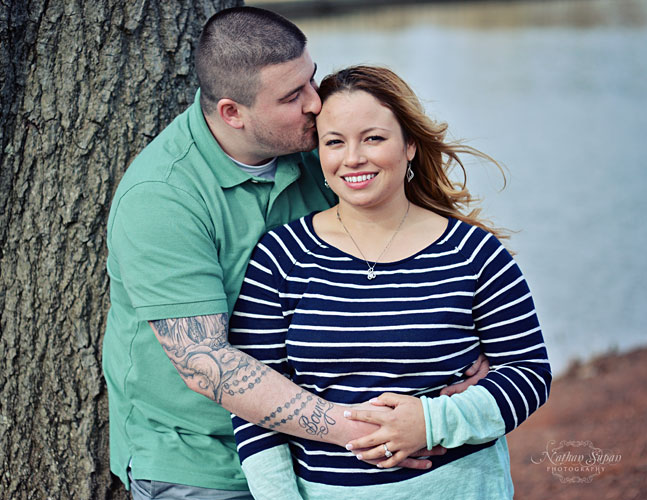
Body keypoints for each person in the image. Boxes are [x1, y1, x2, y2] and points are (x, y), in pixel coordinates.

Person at [103, 7, 487, 499]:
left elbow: (396, 250)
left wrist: (469, 347)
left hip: (325, 455)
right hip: (202, 461)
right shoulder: (163, 198)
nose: (314, 104)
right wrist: (369, 430)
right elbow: (205, 362)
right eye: (292, 96)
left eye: (311, 79)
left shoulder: (317, 148)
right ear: (232, 113)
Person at [229, 65, 552, 499]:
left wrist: (432, 421)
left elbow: (529, 373)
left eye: (374, 138)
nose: (354, 158)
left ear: (411, 144)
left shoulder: (473, 252)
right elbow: (253, 404)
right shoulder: (281, 256)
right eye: (335, 142)